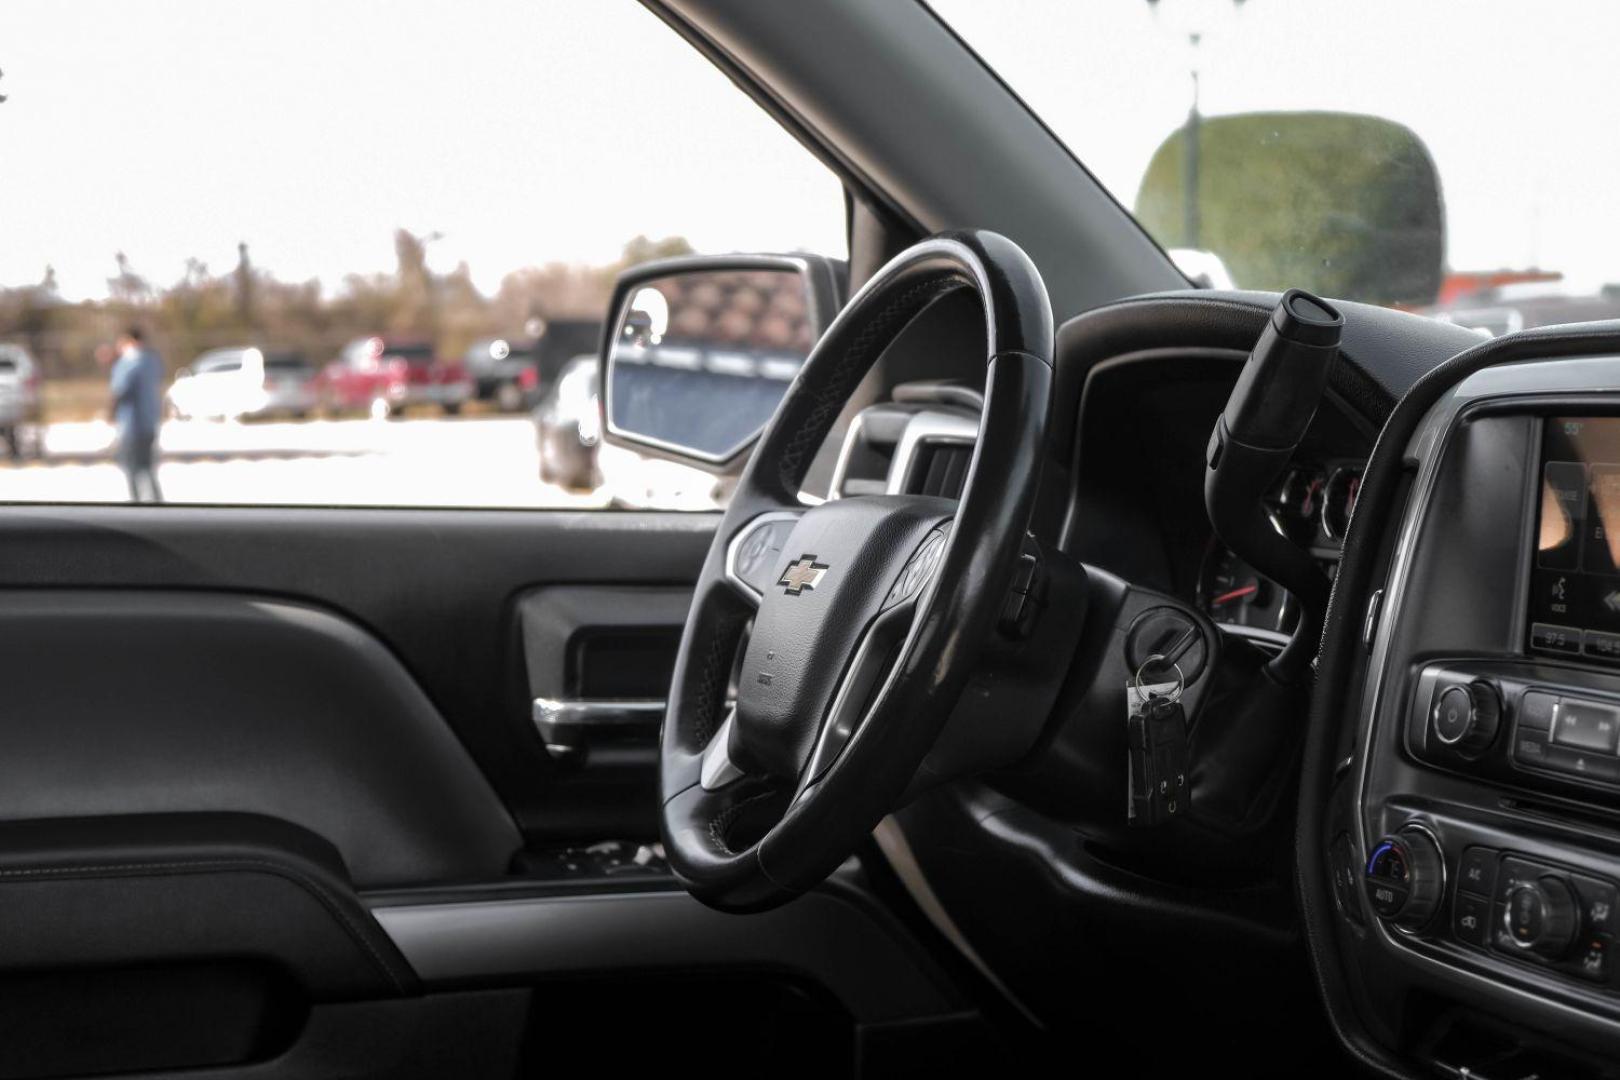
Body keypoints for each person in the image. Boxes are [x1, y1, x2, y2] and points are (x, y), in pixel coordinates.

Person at [108, 327, 165, 502]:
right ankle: (156, 501)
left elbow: (120, 390)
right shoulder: (153, 360)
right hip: (150, 421)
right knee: (148, 467)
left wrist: (110, 412)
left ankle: (136, 503)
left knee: (131, 467)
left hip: (132, 424)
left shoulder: (129, 362)